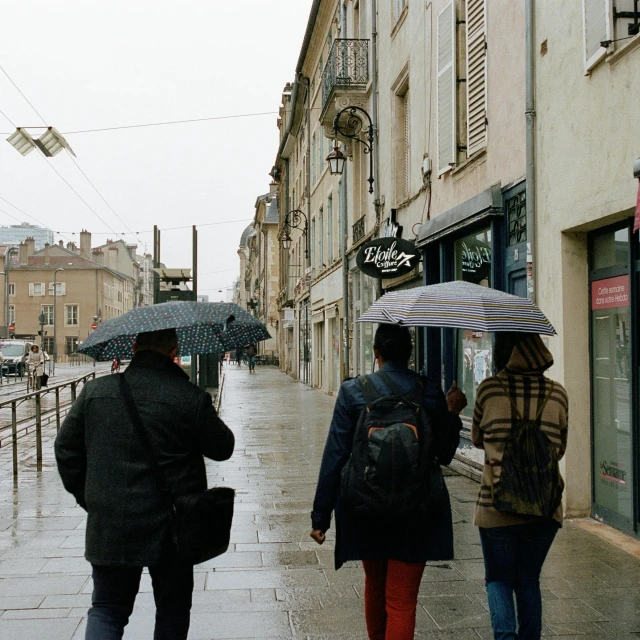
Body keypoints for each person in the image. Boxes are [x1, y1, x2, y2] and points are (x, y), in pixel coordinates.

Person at [54, 328, 235, 640]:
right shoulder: (187, 396)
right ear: (173, 350)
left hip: (110, 522)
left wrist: (90, 497)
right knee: (172, 608)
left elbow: (65, 449)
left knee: (107, 608)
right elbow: (223, 447)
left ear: (134, 347)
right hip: (172, 526)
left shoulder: (96, 392)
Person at [310, 323, 467, 640]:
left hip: (366, 508)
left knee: (375, 587)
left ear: (375, 352)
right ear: (409, 354)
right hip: (418, 509)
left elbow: (335, 456)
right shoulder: (428, 390)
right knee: (401, 602)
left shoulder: (354, 391)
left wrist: (320, 517)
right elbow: (446, 454)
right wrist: (451, 412)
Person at [471, 332, 568, 640]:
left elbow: (476, 439)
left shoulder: (488, 390)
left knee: (498, 580)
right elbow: (560, 449)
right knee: (528, 579)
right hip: (544, 505)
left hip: (496, 504)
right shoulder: (558, 395)